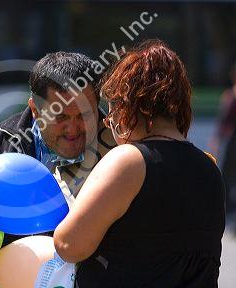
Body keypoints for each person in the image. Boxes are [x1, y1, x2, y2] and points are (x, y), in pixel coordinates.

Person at [54, 40, 225, 287]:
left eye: (111, 113)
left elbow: (69, 245)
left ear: (126, 109)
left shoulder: (128, 161)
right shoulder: (210, 169)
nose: (108, 123)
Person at [0, 52, 116, 246]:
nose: (73, 129)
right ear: (35, 109)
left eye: (84, 115)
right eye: (60, 117)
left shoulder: (121, 147)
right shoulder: (3, 141)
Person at [209, 62, 236, 215]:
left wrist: (217, 141)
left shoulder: (230, 97)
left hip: (232, 142)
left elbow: (223, 124)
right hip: (231, 141)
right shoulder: (230, 96)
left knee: (227, 174)